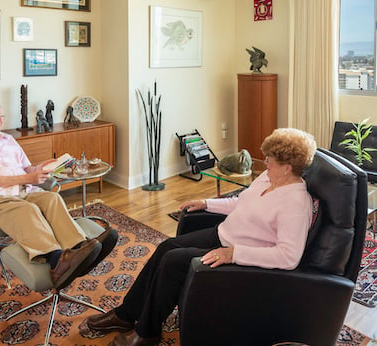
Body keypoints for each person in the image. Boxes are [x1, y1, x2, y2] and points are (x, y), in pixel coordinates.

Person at [85, 128, 317, 346]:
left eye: (270, 161)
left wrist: (233, 254)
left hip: (240, 256)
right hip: (223, 235)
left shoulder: (295, 202)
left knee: (173, 261)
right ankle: (126, 315)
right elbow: (241, 202)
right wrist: (206, 203)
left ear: (287, 167)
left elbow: (289, 257)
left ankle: (147, 332)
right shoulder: (268, 179)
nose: (265, 164)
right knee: (167, 247)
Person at [0, 102, 103, 289]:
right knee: (28, 209)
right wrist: (27, 177)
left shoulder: (8, 139)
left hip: (23, 190)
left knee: (52, 198)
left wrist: (42, 168)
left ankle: (78, 249)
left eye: (2, 116)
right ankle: (56, 261)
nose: (0, 120)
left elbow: (27, 169)